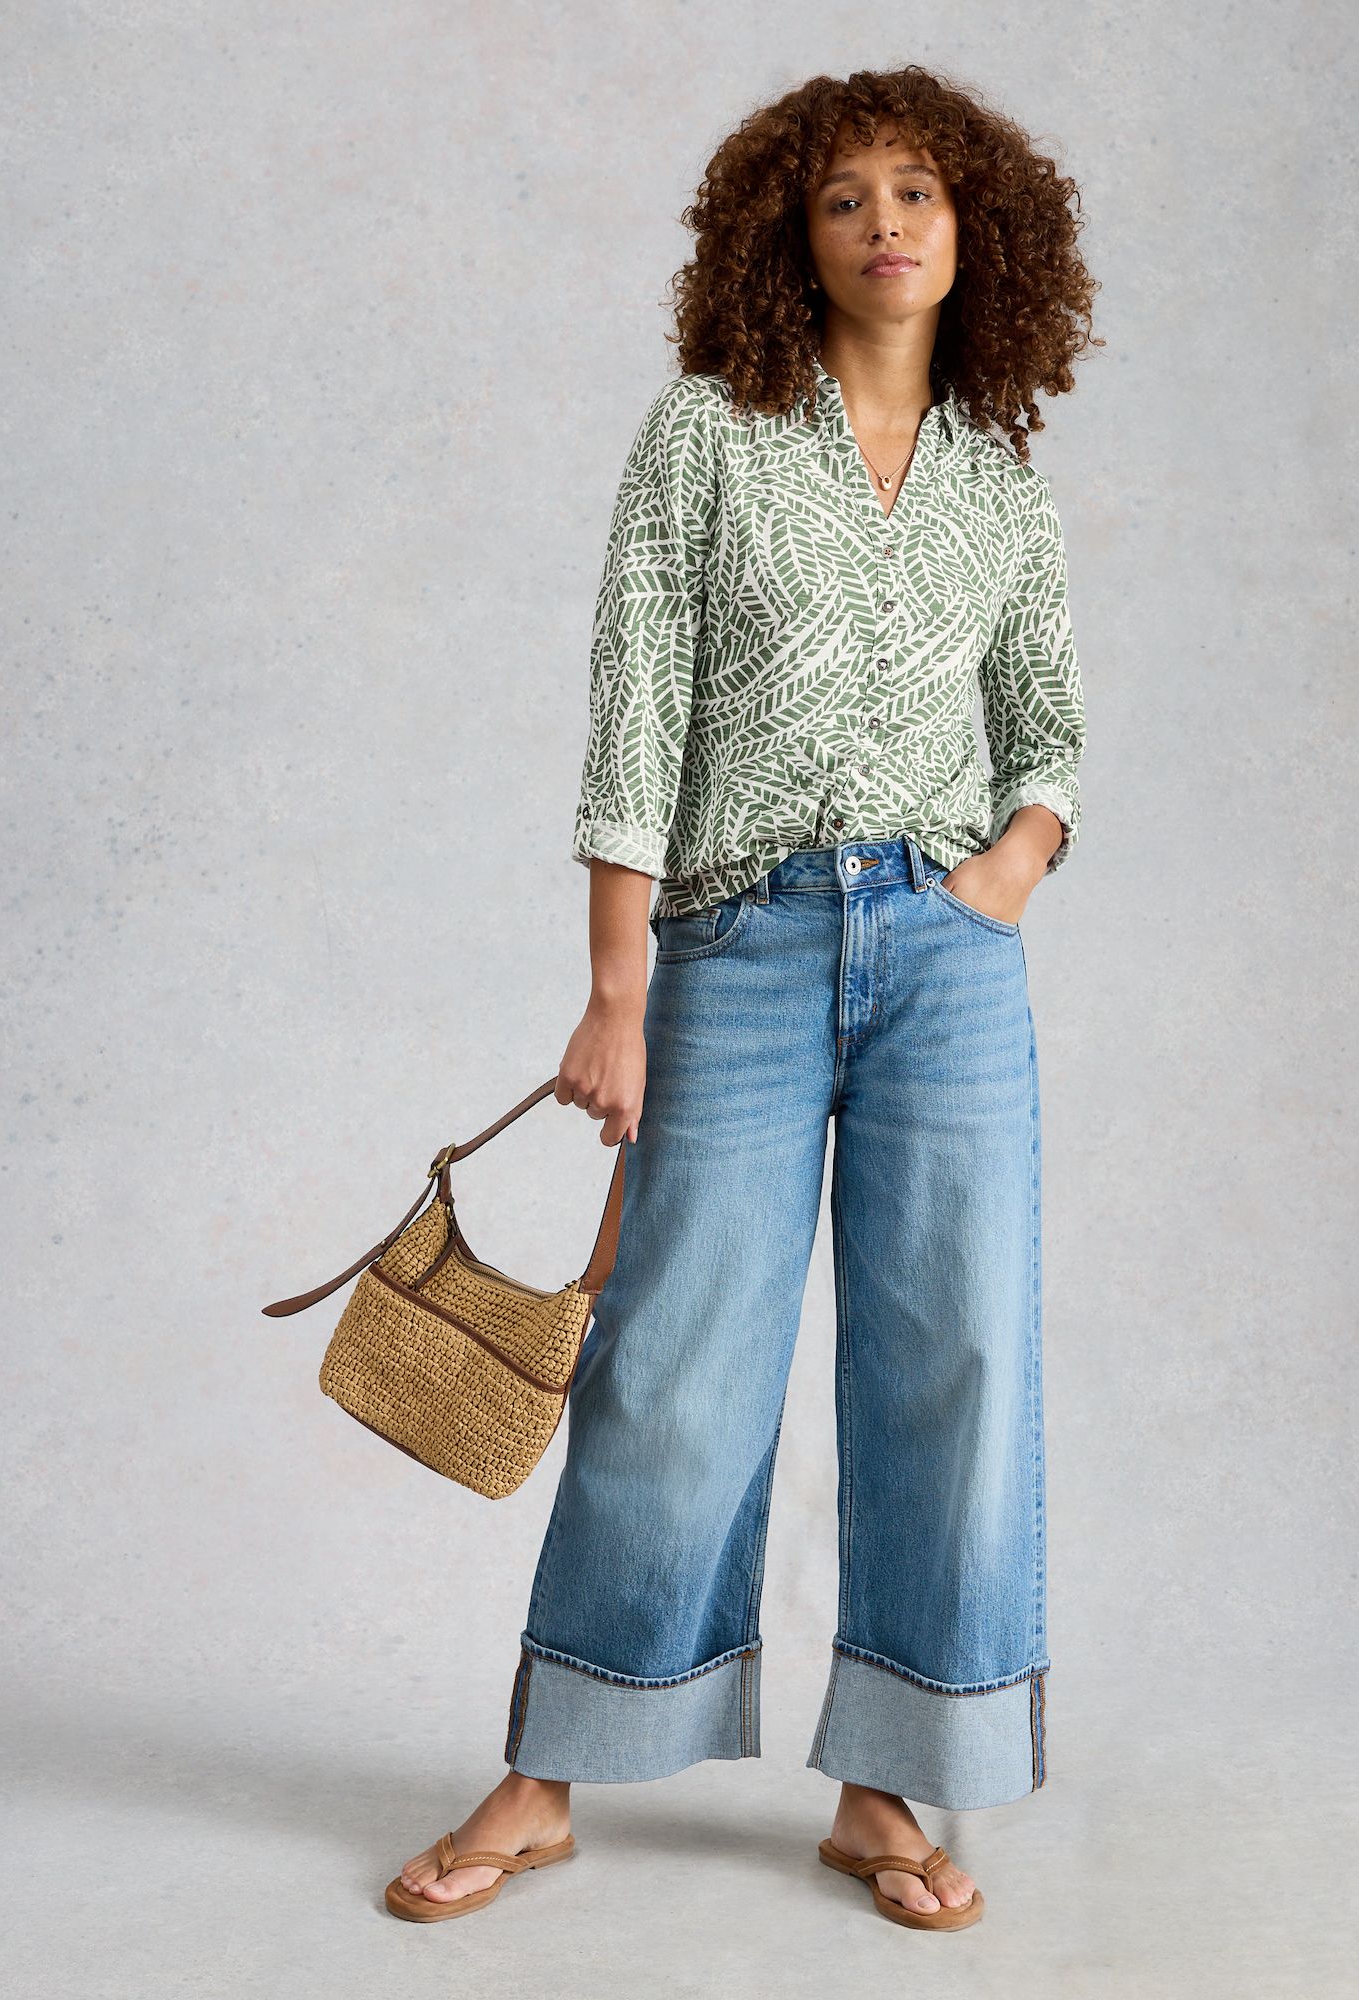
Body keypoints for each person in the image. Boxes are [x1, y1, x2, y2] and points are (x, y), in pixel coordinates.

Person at [389, 64, 1097, 1934]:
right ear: (793, 234)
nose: (886, 223)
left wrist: (1011, 870)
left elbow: (1051, 723)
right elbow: (635, 716)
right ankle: (550, 1774)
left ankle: (887, 1789)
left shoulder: (998, 476)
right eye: (846, 196)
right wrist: (614, 985)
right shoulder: (706, 434)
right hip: (740, 943)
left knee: (954, 1361)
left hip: (948, 966)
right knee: (678, 1363)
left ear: (976, 231)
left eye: (918, 192)